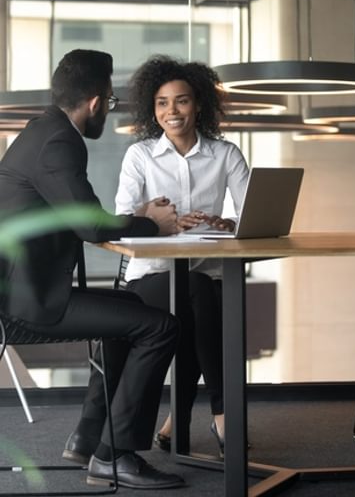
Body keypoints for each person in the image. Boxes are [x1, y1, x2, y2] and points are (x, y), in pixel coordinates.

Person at [0, 49, 185, 490]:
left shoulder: (42, 131)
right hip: (29, 301)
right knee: (161, 327)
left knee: (131, 310)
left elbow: (79, 214)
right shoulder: (59, 141)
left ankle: (88, 436)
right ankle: (114, 454)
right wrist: (150, 224)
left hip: (25, 289)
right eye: (112, 101)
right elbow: (87, 225)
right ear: (98, 101)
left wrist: (136, 216)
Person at [115, 54, 249, 457]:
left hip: (210, 273)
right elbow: (121, 217)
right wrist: (156, 220)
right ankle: (225, 412)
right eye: (161, 102)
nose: (171, 111)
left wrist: (227, 223)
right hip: (150, 277)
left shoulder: (226, 155)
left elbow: (251, 215)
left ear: (199, 105)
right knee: (196, 292)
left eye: (182, 100)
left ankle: (177, 422)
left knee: (198, 297)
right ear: (151, 109)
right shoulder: (139, 156)